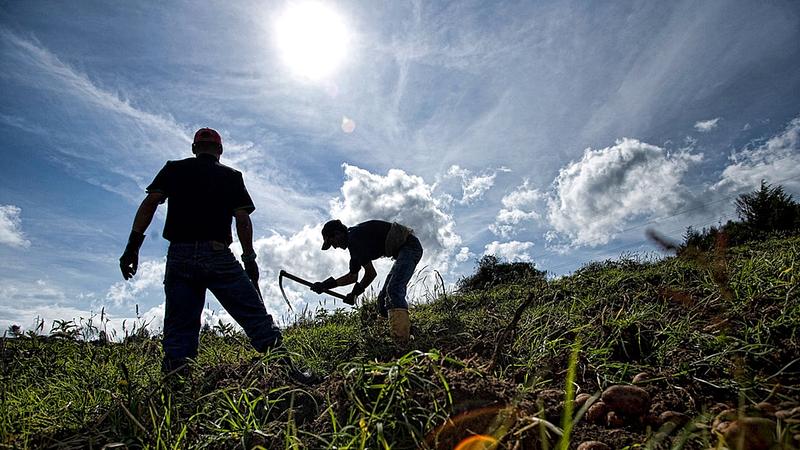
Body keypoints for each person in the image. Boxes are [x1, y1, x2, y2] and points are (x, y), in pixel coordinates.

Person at [119, 128, 287, 376]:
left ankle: (176, 389)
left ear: (194, 148)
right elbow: (242, 219)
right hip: (217, 254)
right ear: (219, 151)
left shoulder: (173, 169)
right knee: (254, 314)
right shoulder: (231, 176)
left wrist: (132, 248)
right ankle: (287, 370)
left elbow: (150, 202)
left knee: (179, 329)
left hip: (179, 255)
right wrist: (249, 258)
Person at [312, 219, 423, 345]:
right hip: (402, 252)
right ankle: (405, 330)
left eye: (332, 242)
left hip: (410, 247)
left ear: (337, 234)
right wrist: (324, 285)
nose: (335, 247)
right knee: (382, 301)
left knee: (393, 290)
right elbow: (352, 277)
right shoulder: (353, 246)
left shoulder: (355, 239)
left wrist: (354, 293)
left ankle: (402, 341)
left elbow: (370, 274)